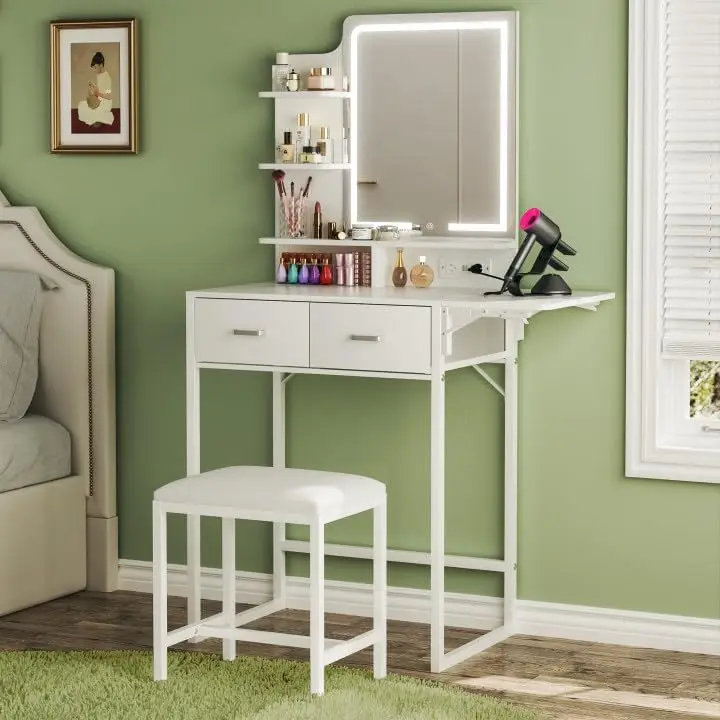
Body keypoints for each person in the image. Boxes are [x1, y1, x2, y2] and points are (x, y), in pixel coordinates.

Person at [78, 52, 113, 127]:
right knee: (81, 105)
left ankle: (100, 117)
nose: (94, 69)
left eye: (95, 67)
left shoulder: (107, 78)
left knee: (92, 116)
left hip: (105, 103)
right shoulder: (99, 75)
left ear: (101, 65)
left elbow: (109, 96)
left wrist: (97, 94)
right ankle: (98, 118)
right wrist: (93, 86)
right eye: (93, 68)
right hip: (99, 101)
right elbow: (100, 89)